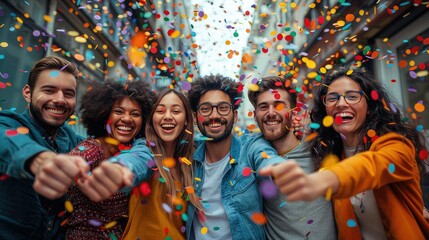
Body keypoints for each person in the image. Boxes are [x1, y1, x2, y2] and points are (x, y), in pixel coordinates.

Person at [260, 65, 429, 239]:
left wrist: (325, 180)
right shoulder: (331, 154)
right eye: (332, 98)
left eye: (352, 96)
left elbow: (374, 165)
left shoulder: (397, 144)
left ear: (369, 106)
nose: (341, 104)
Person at [185, 75, 285, 240]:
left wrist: (278, 168)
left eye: (223, 108)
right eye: (205, 109)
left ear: (235, 115)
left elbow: (266, 158)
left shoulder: (250, 146)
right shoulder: (187, 158)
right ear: (195, 118)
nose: (214, 115)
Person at [0, 56, 89, 239]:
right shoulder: (8, 124)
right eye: (49, 90)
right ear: (27, 93)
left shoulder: (72, 139)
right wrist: (38, 159)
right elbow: (6, 140)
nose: (60, 100)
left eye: (68, 94)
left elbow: (101, 149)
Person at [65, 79, 156, 239]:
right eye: (119, 111)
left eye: (135, 114)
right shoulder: (90, 150)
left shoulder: (134, 149)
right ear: (104, 114)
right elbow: (68, 168)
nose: (127, 119)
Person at [248, 76, 336, 239]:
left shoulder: (320, 149)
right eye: (263, 107)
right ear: (255, 115)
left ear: (293, 111)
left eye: (279, 105)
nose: (271, 113)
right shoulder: (251, 157)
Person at [122, 89, 202, 239]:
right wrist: (120, 169)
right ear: (152, 118)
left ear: (186, 120)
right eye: (160, 111)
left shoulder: (192, 164)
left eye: (176, 111)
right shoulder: (144, 149)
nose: (167, 117)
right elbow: (134, 161)